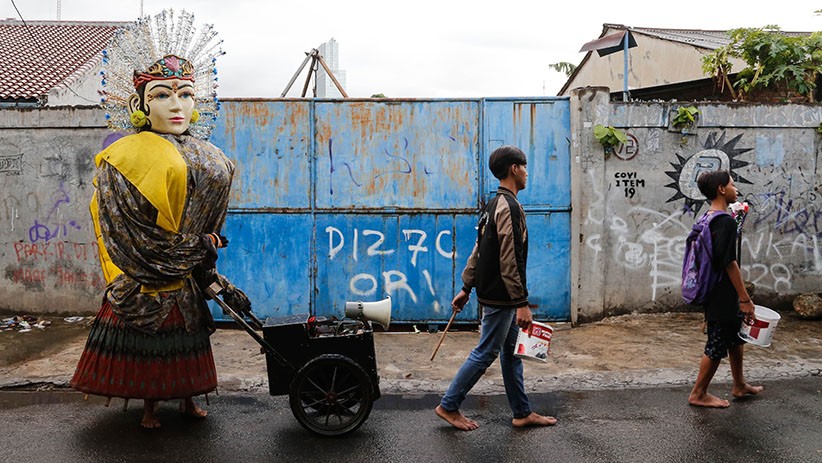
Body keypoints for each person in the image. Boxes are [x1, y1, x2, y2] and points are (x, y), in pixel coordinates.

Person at [71, 10, 249, 428]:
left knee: (188, 343)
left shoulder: (209, 156)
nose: (177, 105)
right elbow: (123, 225)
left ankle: (188, 401)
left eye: (186, 94)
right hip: (145, 273)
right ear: (139, 103)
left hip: (185, 271)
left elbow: (210, 215)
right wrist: (183, 248)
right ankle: (150, 408)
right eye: (163, 95)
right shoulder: (125, 156)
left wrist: (204, 248)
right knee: (151, 348)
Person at [435, 145, 557, 431]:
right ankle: (449, 405)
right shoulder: (510, 207)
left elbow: (479, 250)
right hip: (502, 298)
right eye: (524, 167)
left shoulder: (492, 206)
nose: (527, 173)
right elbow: (510, 257)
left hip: (494, 294)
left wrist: (466, 286)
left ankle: (522, 412)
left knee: (512, 352)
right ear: (514, 169)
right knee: (486, 352)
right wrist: (521, 302)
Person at [687, 170, 762, 408]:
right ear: (721, 189)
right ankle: (698, 394)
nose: (735, 189)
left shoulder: (709, 217)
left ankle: (739, 385)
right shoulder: (724, 221)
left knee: (735, 336)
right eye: (731, 184)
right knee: (717, 342)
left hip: (713, 288)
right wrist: (745, 298)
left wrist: (736, 221)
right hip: (722, 291)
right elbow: (728, 261)